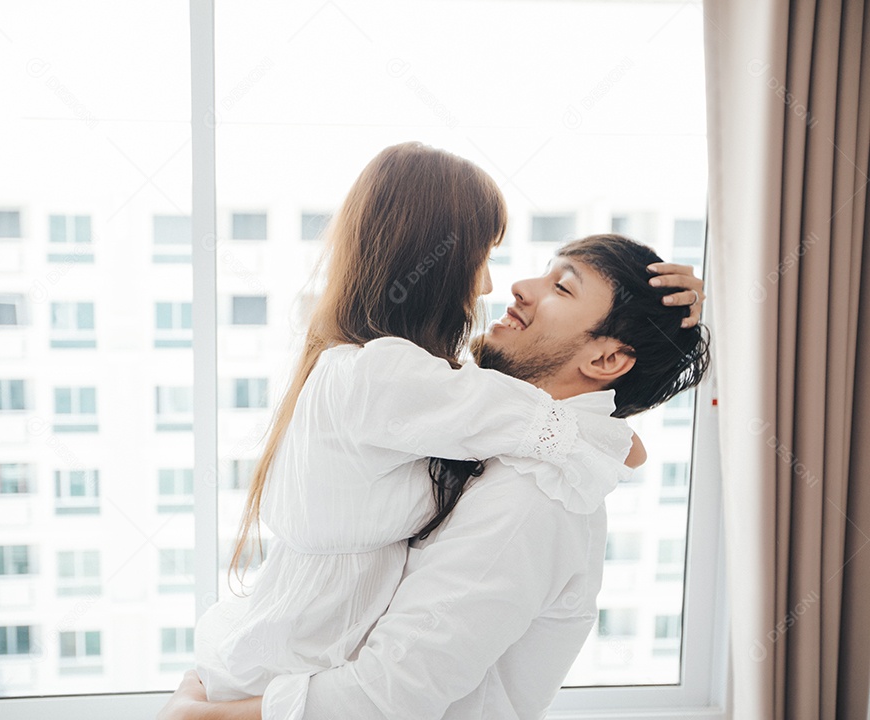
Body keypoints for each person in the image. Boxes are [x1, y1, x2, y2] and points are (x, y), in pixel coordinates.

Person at [159, 234, 710, 719]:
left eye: (562, 288)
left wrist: (205, 716)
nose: (517, 286)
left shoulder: (533, 497)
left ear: (609, 361)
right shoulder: (482, 431)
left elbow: (388, 697)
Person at [193, 142, 649, 705]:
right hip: (299, 660)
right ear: (429, 264)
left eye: (562, 286)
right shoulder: (387, 377)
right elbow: (566, 428)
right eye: (480, 259)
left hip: (298, 662)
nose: (492, 287)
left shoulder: (526, 484)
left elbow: (392, 695)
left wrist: (673, 328)